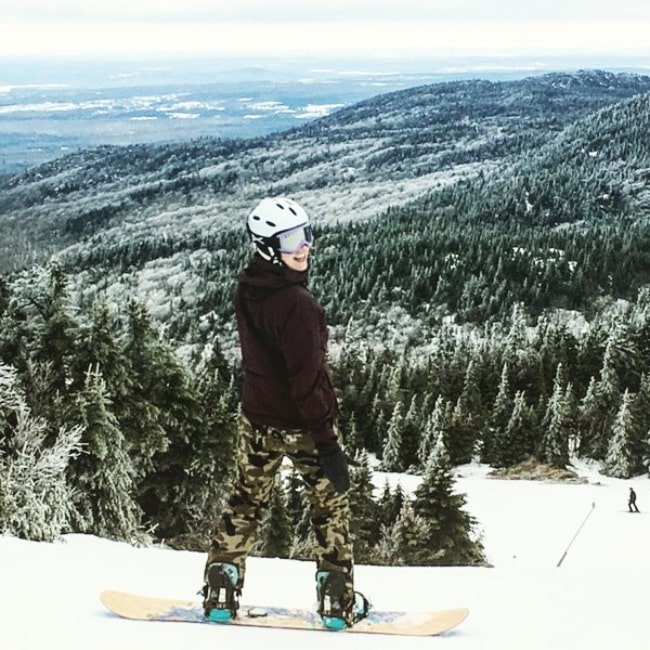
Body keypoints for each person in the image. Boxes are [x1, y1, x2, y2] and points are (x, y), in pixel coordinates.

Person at [202, 196, 368, 629]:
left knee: (245, 501)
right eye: (292, 239)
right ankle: (336, 598)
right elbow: (306, 382)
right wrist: (327, 441)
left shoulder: (248, 288)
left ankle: (221, 585)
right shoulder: (298, 304)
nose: (305, 246)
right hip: (304, 428)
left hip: (257, 421)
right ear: (267, 247)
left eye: (307, 235)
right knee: (330, 506)